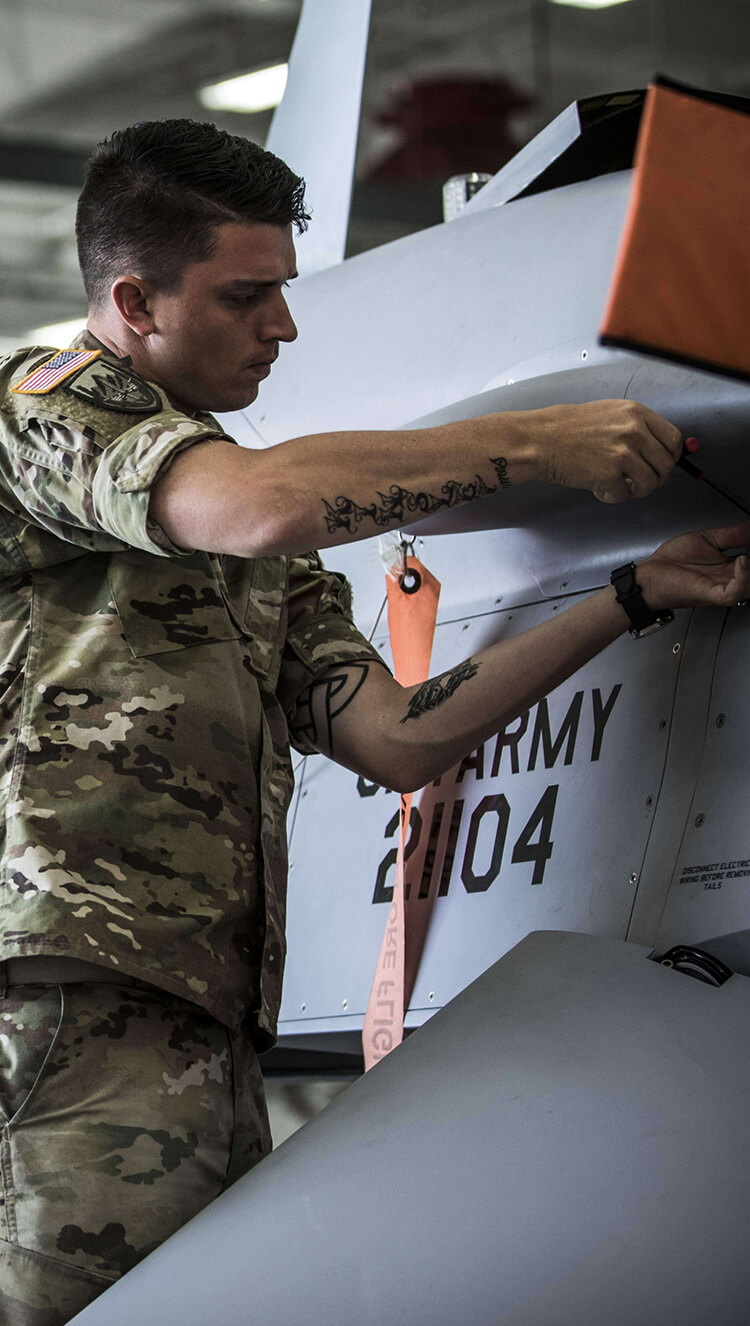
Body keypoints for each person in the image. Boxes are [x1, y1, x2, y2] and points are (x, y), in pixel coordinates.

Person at [0, 119, 747, 1326]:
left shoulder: (249, 528)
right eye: (249, 297)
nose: (283, 329)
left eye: (284, 294)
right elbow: (258, 506)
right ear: (133, 300)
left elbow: (397, 735)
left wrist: (630, 595)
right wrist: (525, 443)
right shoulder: (47, 410)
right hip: (64, 1005)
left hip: (202, 1019)